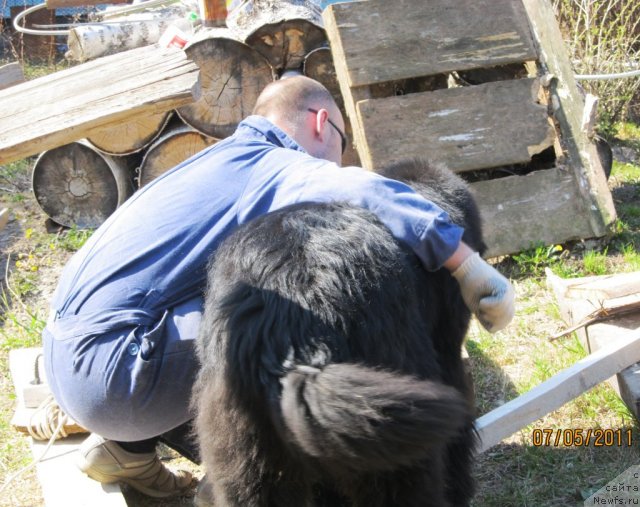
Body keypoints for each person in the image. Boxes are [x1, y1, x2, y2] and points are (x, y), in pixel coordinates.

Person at [42, 75, 515, 499]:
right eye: (341, 144)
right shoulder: (275, 164)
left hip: (67, 356)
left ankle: (127, 451)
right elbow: (368, 191)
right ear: (321, 122)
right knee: (259, 337)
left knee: (241, 284)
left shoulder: (219, 161)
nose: (339, 157)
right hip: (116, 375)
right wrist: (471, 268)